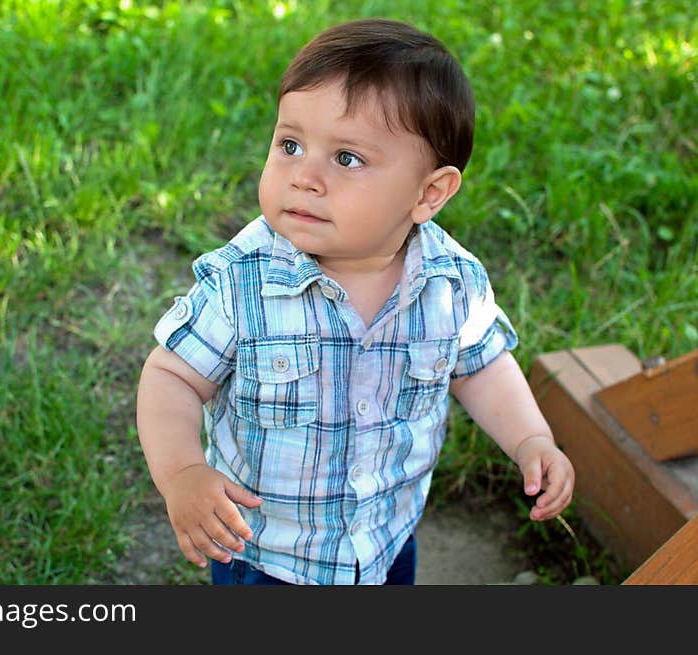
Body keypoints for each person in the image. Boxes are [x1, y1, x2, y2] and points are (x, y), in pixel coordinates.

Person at [136, 17, 574, 585]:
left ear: (428, 193)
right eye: (290, 145)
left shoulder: (450, 283)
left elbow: (482, 366)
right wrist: (183, 472)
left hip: (385, 541)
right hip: (269, 556)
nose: (305, 177)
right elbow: (173, 376)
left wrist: (530, 437)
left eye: (346, 159)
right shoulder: (242, 284)